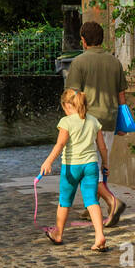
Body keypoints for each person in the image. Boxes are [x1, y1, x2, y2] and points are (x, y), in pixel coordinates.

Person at [65, 20, 129, 226]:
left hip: (87, 122)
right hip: (109, 120)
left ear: (83, 41)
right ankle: (91, 207)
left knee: (86, 167)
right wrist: (122, 123)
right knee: (98, 166)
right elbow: (122, 96)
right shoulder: (115, 62)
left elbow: (73, 96)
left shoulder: (79, 63)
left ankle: (113, 202)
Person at [39, 88, 109, 251]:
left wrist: (48, 161)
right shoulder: (94, 121)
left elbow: (60, 144)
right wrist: (105, 163)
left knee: (64, 201)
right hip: (91, 165)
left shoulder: (66, 122)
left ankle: (58, 234)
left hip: (72, 167)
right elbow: (102, 147)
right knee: (91, 200)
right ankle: (99, 235)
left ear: (67, 106)